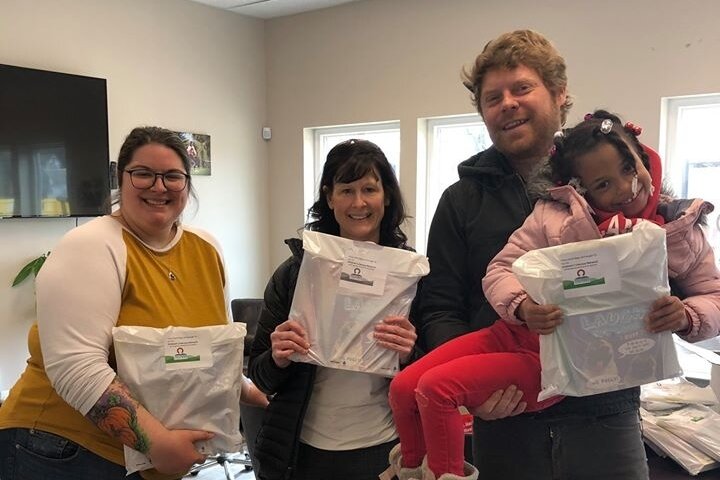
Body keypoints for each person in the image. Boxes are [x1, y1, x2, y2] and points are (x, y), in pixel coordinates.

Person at [391, 109, 720, 480]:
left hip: (569, 372)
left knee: (436, 389)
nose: (626, 188)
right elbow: (499, 270)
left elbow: (713, 294)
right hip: (510, 339)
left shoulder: (680, 230)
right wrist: (522, 305)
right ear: (580, 188)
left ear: (642, 157)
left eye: (629, 169)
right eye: (603, 185)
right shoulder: (553, 215)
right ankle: (410, 469)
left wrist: (688, 315)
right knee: (404, 387)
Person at [415, 29, 649, 479]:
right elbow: (440, 308)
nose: (507, 103)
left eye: (521, 88)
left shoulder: (612, 182)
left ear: (559, 94)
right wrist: (471, 392)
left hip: (605, 416)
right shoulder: (460, 202)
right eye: (492, 97)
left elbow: (663, 269)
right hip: (505, 422)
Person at [0, 126, 266, 480]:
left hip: (140, 455)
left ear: (187, 184)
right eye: (143, 174)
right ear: (120, 179)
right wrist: (156, 444)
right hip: (62, 449)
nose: (159, 186)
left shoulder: (206, 249)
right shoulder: (92, 245)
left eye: (173, 176)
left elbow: (205, 349)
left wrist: (247, 388)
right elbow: (75, 368)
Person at [248, 139, 418, 480]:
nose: (358, 202)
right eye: (346, 190)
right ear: (329, 197)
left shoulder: (410, 274)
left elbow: (430, 371)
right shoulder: (296, 273)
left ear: (386, 195)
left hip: (383, 446)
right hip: (303, 449)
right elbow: (260, 375)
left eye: (369, 189)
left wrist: (410, 354)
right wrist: (280, 356)